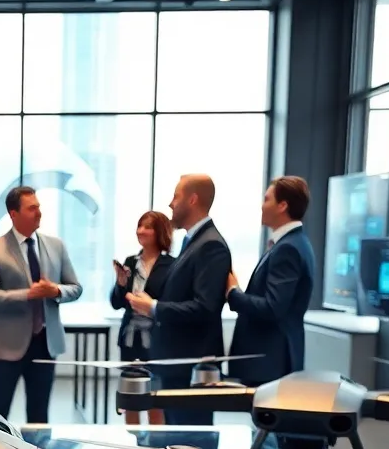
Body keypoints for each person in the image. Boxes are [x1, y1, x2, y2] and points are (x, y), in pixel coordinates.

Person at [126, 174, 230, 426]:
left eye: (176, 196)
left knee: (189, 444)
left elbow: (205, 308)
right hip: (175, 365)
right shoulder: (192, 241)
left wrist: (152, 307)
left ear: (192, 200)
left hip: (189, 368)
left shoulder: (210, 245)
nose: (171, 204)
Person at [0, 186, 82, 424]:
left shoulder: (56, 245)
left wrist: (55, 290)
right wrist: (30, 294)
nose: (39, 213)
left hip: (46, 343)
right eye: (32, 208)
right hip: (8, 343)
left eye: (39, 207)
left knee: (39, 413)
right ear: (13, 214)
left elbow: (75, 288)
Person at [227, 176, 316, 386]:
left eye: (267, 199)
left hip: (270, 363)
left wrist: (233, 293)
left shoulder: (288, 248)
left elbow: (273, 307)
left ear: (282, 206)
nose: (262, 206)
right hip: (271, 362)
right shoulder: (293, 243)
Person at [109, 210, 175, 426]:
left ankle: (156, 445)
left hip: (156, 339)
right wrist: (120, 283)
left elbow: (169, 300)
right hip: (130, 339)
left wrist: (147, 304)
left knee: (155, 397)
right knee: (131, 397)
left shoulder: (171, 264)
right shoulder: (130, 261)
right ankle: (132, 445)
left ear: (160, 232)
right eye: (139, 226)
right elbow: (117, 303)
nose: (141, 231)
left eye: (147, 227)